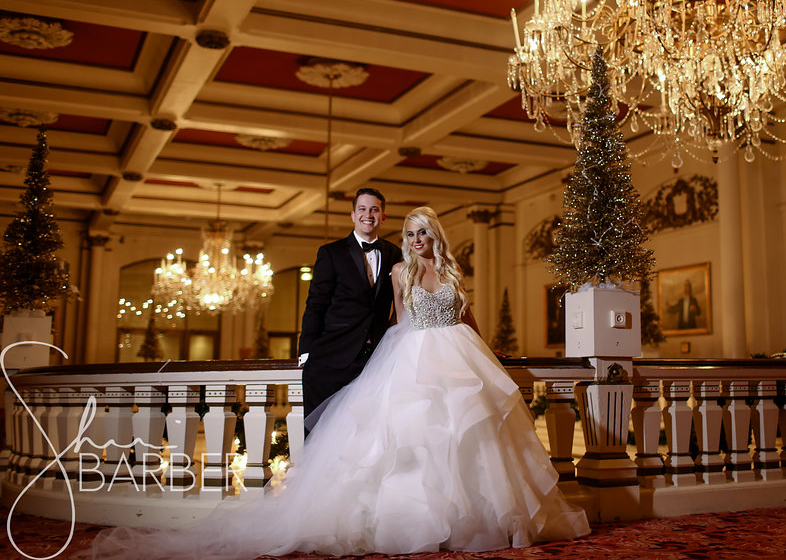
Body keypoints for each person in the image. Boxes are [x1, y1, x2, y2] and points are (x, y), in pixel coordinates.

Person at [88, 206, 590, 559]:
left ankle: (476, 521)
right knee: (411, 439)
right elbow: (393, 321)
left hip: (458, 351)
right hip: (411, 357)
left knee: (469, 436)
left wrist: (488, 350)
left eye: (422, 233)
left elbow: (467, 316)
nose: (416, 240)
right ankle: (412, 521)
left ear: (434, 235)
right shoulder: (398, 273)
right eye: (410, 233)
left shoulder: (454, 274)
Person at [298, 187, 402, 418]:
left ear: (383, 217)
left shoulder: (395, 254)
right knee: (319, 431)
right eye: (362, 209)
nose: (369, 214)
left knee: (365, 431)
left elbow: (401, 305)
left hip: (375, 359)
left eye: (375, 210)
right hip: (330, 358)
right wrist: (306, 351)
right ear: (353, 215)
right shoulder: (330, 253)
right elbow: (316, 303)